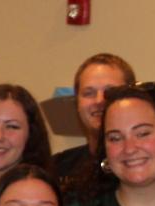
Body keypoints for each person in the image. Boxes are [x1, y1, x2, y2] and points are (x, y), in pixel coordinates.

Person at [52, 53, 135, 181]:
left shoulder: (145, 164)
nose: (99, 100)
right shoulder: (57, 169)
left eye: (110, 92)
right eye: (88, 93)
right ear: (76, 104)